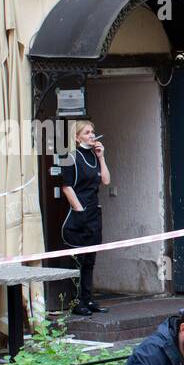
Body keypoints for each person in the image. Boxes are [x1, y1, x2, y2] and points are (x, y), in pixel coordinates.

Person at [61, 120, 110, 317]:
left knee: (90, 260)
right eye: (87, 132)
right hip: (79, 213)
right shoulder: (71, 157)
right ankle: (76, 302)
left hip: (94, 213)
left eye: (93, 131)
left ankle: (88, 299)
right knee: (77, 261)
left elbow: (106, 180)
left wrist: (102, 157)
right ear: (77, 137)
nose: (92, 135)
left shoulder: (94, 155)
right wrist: (79, 209)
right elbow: (66, 186)